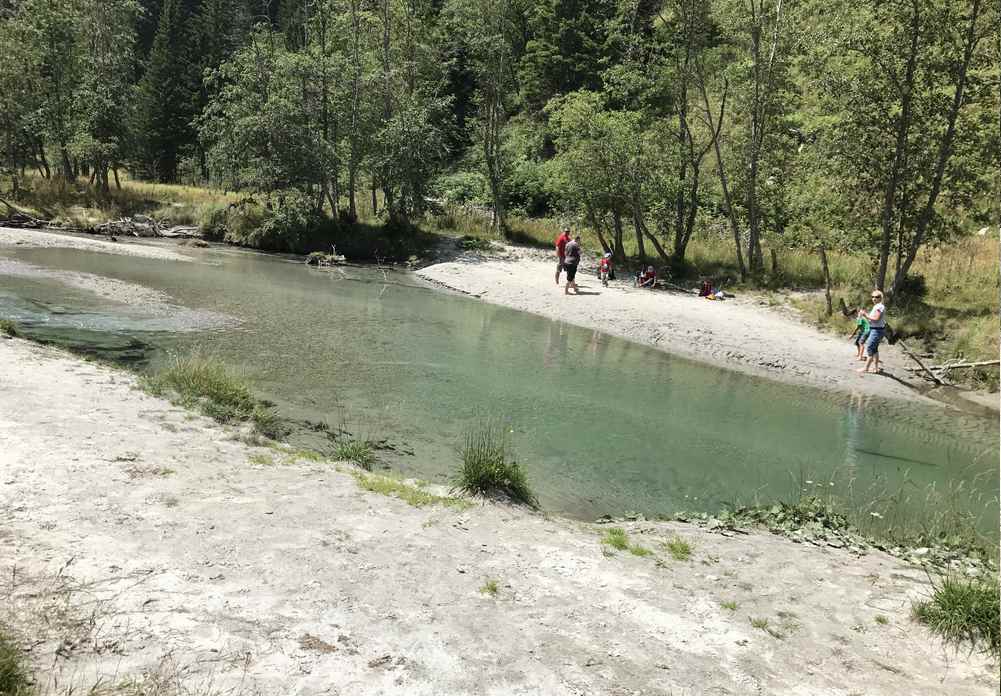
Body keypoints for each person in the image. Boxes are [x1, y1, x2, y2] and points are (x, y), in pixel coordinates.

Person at [858, 290, 887, 374]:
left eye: (877, 297)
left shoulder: (879, 307)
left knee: (870, 348)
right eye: (873, 297)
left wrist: (865, 314)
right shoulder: (877, 306)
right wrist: (864, 316)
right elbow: (872, 321)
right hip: (875, 329)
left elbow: (876, 319)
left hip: (877, 331)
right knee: (874, 349)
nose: (874, 298)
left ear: (880, 298)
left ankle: (866, 368)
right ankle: (876, 368)